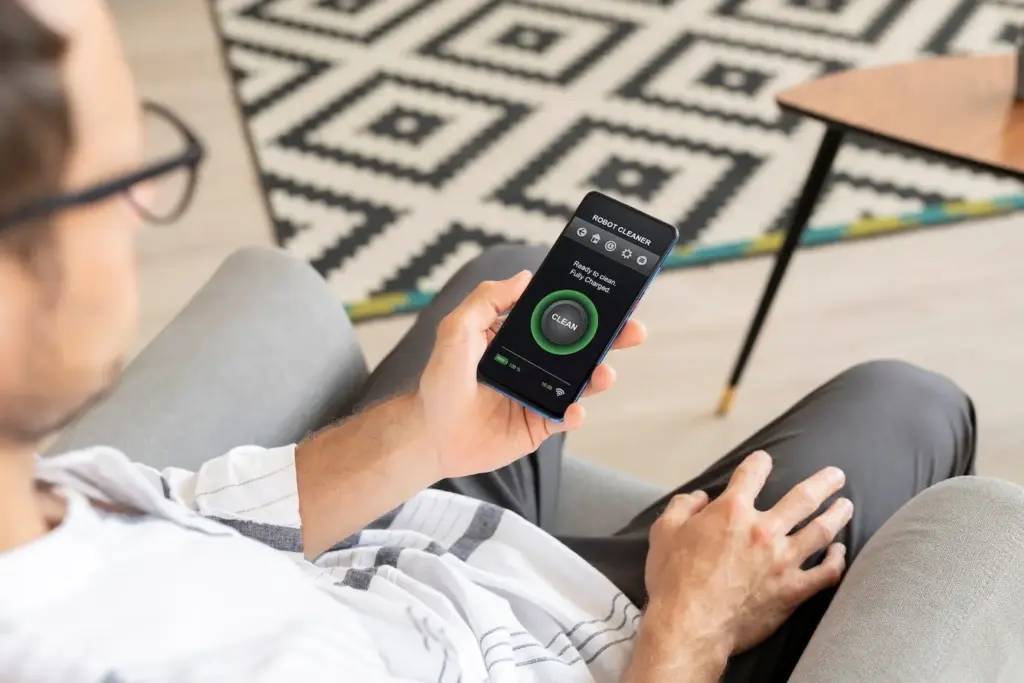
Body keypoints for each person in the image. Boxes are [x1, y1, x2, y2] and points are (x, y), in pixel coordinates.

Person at [0, 0, 990, 681]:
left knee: (511, 276)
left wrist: (425, 436)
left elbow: (191, 513)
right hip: (599, 653)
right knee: (911, 402)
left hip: (409, 567)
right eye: (123, 179)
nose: (139, 217)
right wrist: (694, 624)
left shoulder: (36, 502)